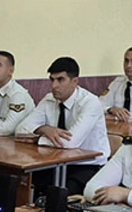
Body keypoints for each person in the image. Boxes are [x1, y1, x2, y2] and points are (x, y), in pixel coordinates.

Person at [15, 56, 110, 195]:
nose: (54, 86)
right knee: (23, 183)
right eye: (52, 80)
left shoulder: (90, 102)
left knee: (58, 196)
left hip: (88, 166)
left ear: (75, 81)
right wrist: (44, 129)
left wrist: (38, 139)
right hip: (55, 162)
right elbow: (20, 129)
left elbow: (70, 143)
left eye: (60, 80)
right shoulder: (49, 100)